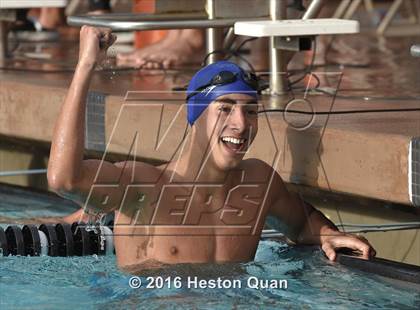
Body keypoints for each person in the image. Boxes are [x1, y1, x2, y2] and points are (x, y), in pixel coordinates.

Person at [47, 26, 376, 271]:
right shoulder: (146, 187)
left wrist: (326, 234)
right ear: (196, 117)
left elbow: (301, 223)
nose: (241, 124)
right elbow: (64, 179)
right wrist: (85, 66)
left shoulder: (259, 183)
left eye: (250, 111)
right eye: (225, 108)